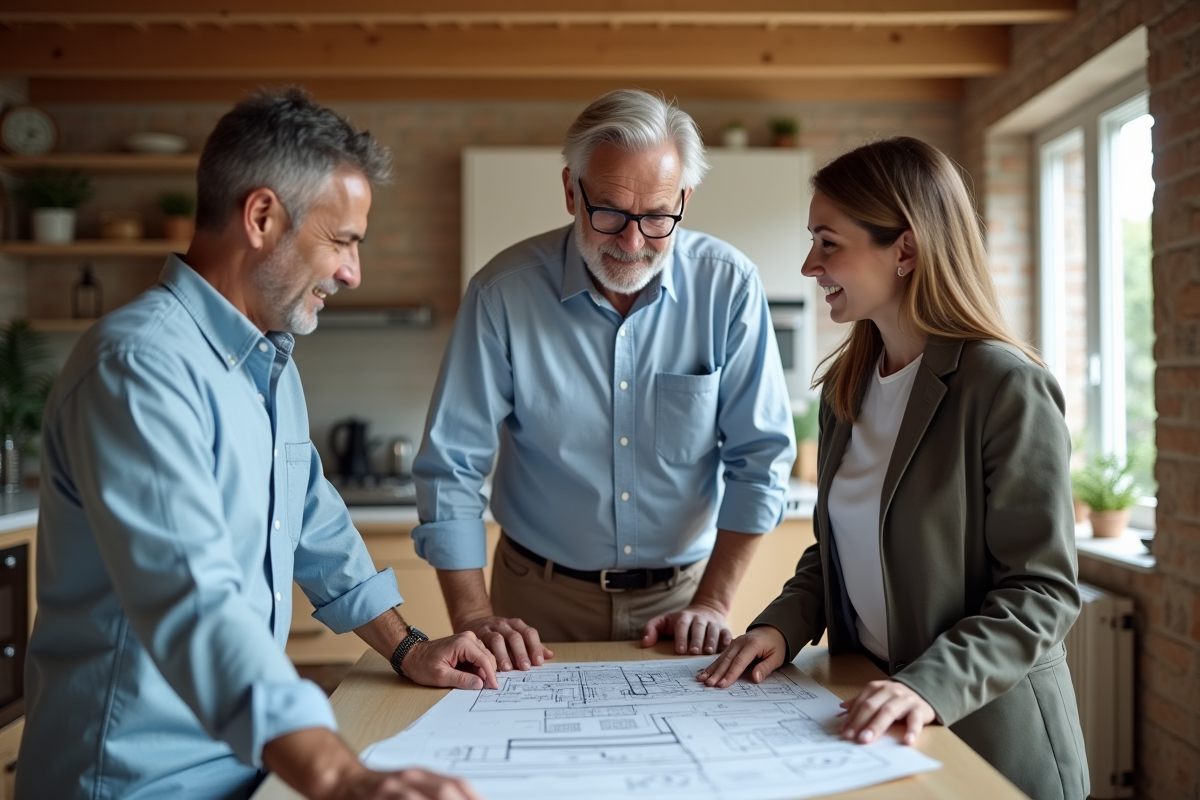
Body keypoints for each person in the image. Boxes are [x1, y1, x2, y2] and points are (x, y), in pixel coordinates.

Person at [17, 88, 496, 800]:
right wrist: (339, 775)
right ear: (263, 217)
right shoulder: (141, 367)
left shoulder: (267, 361)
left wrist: (407, 645)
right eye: (344, 241)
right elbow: (192, 598)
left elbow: (311, 521)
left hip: (242, 767)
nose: (352, 272)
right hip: (134, 781)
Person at [697, 137, 1090, 800]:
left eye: (829, 242)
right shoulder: (844, 389)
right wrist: (781, 625)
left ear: (904, 250)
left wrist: (922, 685)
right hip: (875, 724)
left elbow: (1041, 593)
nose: (809, 264)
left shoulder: (1004, 386)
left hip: (990, 739)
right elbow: (840, 554)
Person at [413, 89, 795, 672]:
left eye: (658, 216)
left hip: (685, 600)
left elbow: (761, 457)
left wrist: (715, 601)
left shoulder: (729, 287)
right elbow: (451, 467)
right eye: (611, 212)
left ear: (685, 200)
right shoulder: (503, 293)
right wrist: (472, 617)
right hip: (535, 601)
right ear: (571, 190)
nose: (634, 242)